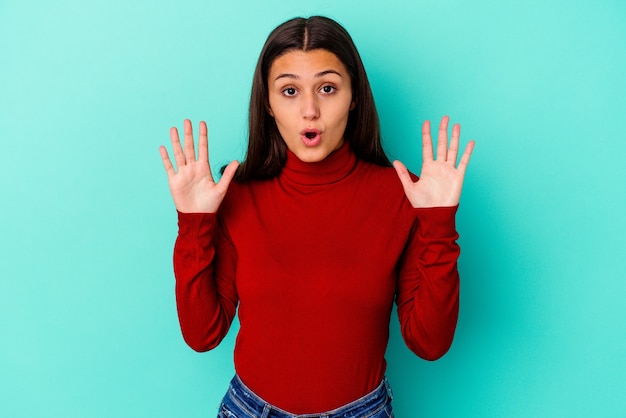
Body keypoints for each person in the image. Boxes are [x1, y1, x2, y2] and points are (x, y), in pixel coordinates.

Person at [159, 15, 474, 418]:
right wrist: (194, 223)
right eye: (289, 91)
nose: (310, 110)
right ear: (268, 105)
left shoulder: (405, 195)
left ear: (354, 96)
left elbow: (429, 344)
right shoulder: (234, 194)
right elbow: (203, 334)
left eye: (327, 88)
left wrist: (439, 225)